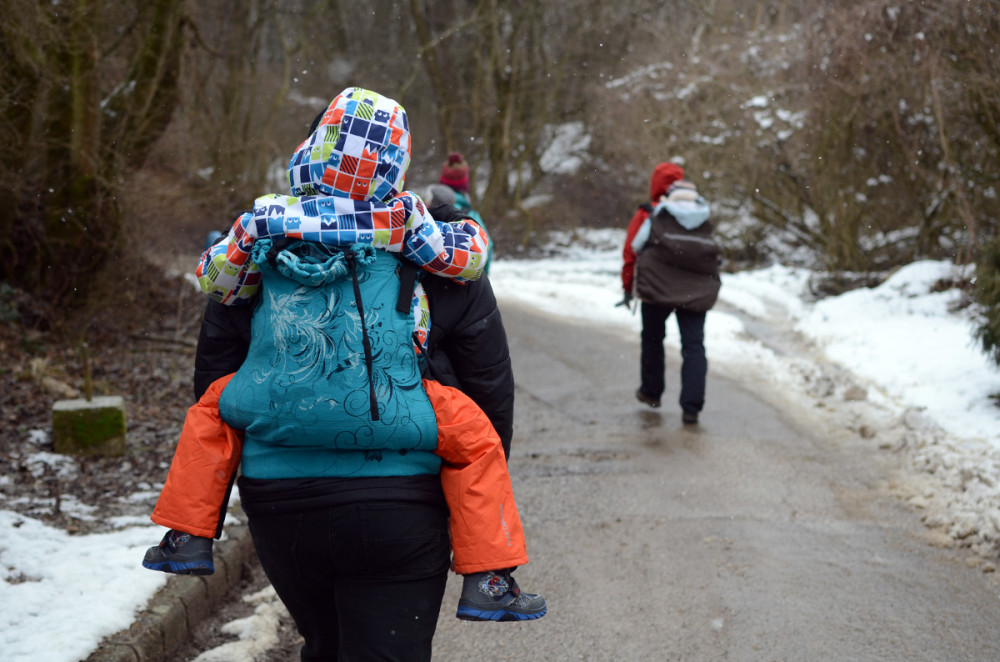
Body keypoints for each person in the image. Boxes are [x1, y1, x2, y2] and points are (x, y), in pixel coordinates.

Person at [144, 87, 544, 659]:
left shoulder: (264, 235)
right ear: (398, 164)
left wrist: (271, 433)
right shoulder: (417, 230)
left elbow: (214, 364)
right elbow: (489, 387)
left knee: (324, 643)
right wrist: (461, 496)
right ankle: (492, 576)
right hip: (402, 500)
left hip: (280, 499)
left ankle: (186, 535)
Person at [619, 162, 721, 425]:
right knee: (693, 346)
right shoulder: (701, 212)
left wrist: (628, 286)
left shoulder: (651, 212)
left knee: (653, 338)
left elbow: (632, 250)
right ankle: (692, 407)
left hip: (657, 287)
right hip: (695, 291)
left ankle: (652, 392)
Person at [438, 151, 493, 274]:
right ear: (464, 183)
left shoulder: (428, 208)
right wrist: (482, 278)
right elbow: (487, 247)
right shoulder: (470, 215)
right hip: (462, 284)